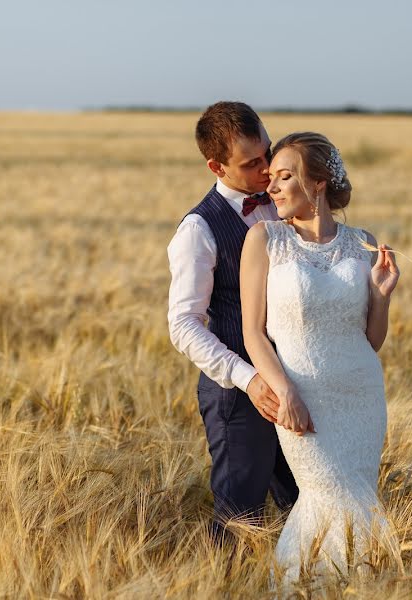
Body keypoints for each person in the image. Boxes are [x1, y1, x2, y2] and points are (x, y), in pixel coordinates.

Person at [240, 132, 400, 584]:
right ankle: (300, 587)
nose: (270, 187)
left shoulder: (361, 241)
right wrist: (284, 391)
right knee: (323, 491)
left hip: (360, 396)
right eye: (269, 178)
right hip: (302, 396)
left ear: (318, 183)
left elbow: (371, 339)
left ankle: (368, 586)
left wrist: (382, 296)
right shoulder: (264, 239)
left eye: (284, 176)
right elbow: (254, 334)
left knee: (358, 496)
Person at [167, 101, 299, 542]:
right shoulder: (199, 229)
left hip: (297, 381)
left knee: (305, 502)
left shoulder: (283, 203)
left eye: (267, 152)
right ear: (216, 166)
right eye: (251, 163)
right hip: (239, 396)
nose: (267, 171)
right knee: (240, 520)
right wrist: (249, 379)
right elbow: (183, 325)